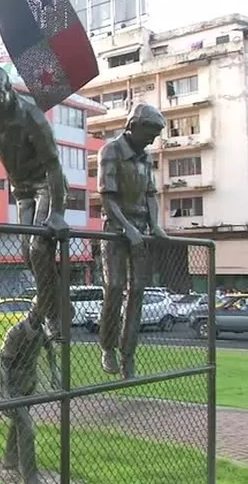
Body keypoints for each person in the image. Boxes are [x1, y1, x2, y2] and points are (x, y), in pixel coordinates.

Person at [0, 0, 69, 344]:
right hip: (21, 190)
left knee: (38, 248)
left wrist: (59, 214)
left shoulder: (32, 117)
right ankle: (59, 305)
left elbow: (54, 167)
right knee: (27, 256)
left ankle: (53, 316)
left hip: (47, 185)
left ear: (9, 91)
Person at [96, 104, 168, 378]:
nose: (152, 140)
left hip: (140, 228)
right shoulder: (111, 151)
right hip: (115, 229)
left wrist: (155, 225)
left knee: (137, 291)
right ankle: (107, 348)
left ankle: (129, 355)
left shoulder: (145, 157)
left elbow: (150, 193)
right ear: (134, 127)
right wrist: (127, 229)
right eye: (150, 134)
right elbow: (107, 197)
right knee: (113, 287)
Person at [0, 306, 54, 483]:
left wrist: (55, 373)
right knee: (27, 429)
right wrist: (5, 394)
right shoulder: (16, 332)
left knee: (18, 423)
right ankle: (30, 476)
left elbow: (50, 349)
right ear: (32, 313)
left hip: (29, 384)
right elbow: (3, 364)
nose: (40, 318)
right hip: (13, 387)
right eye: (38, 314)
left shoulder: (40, 331)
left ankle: (10, 459)